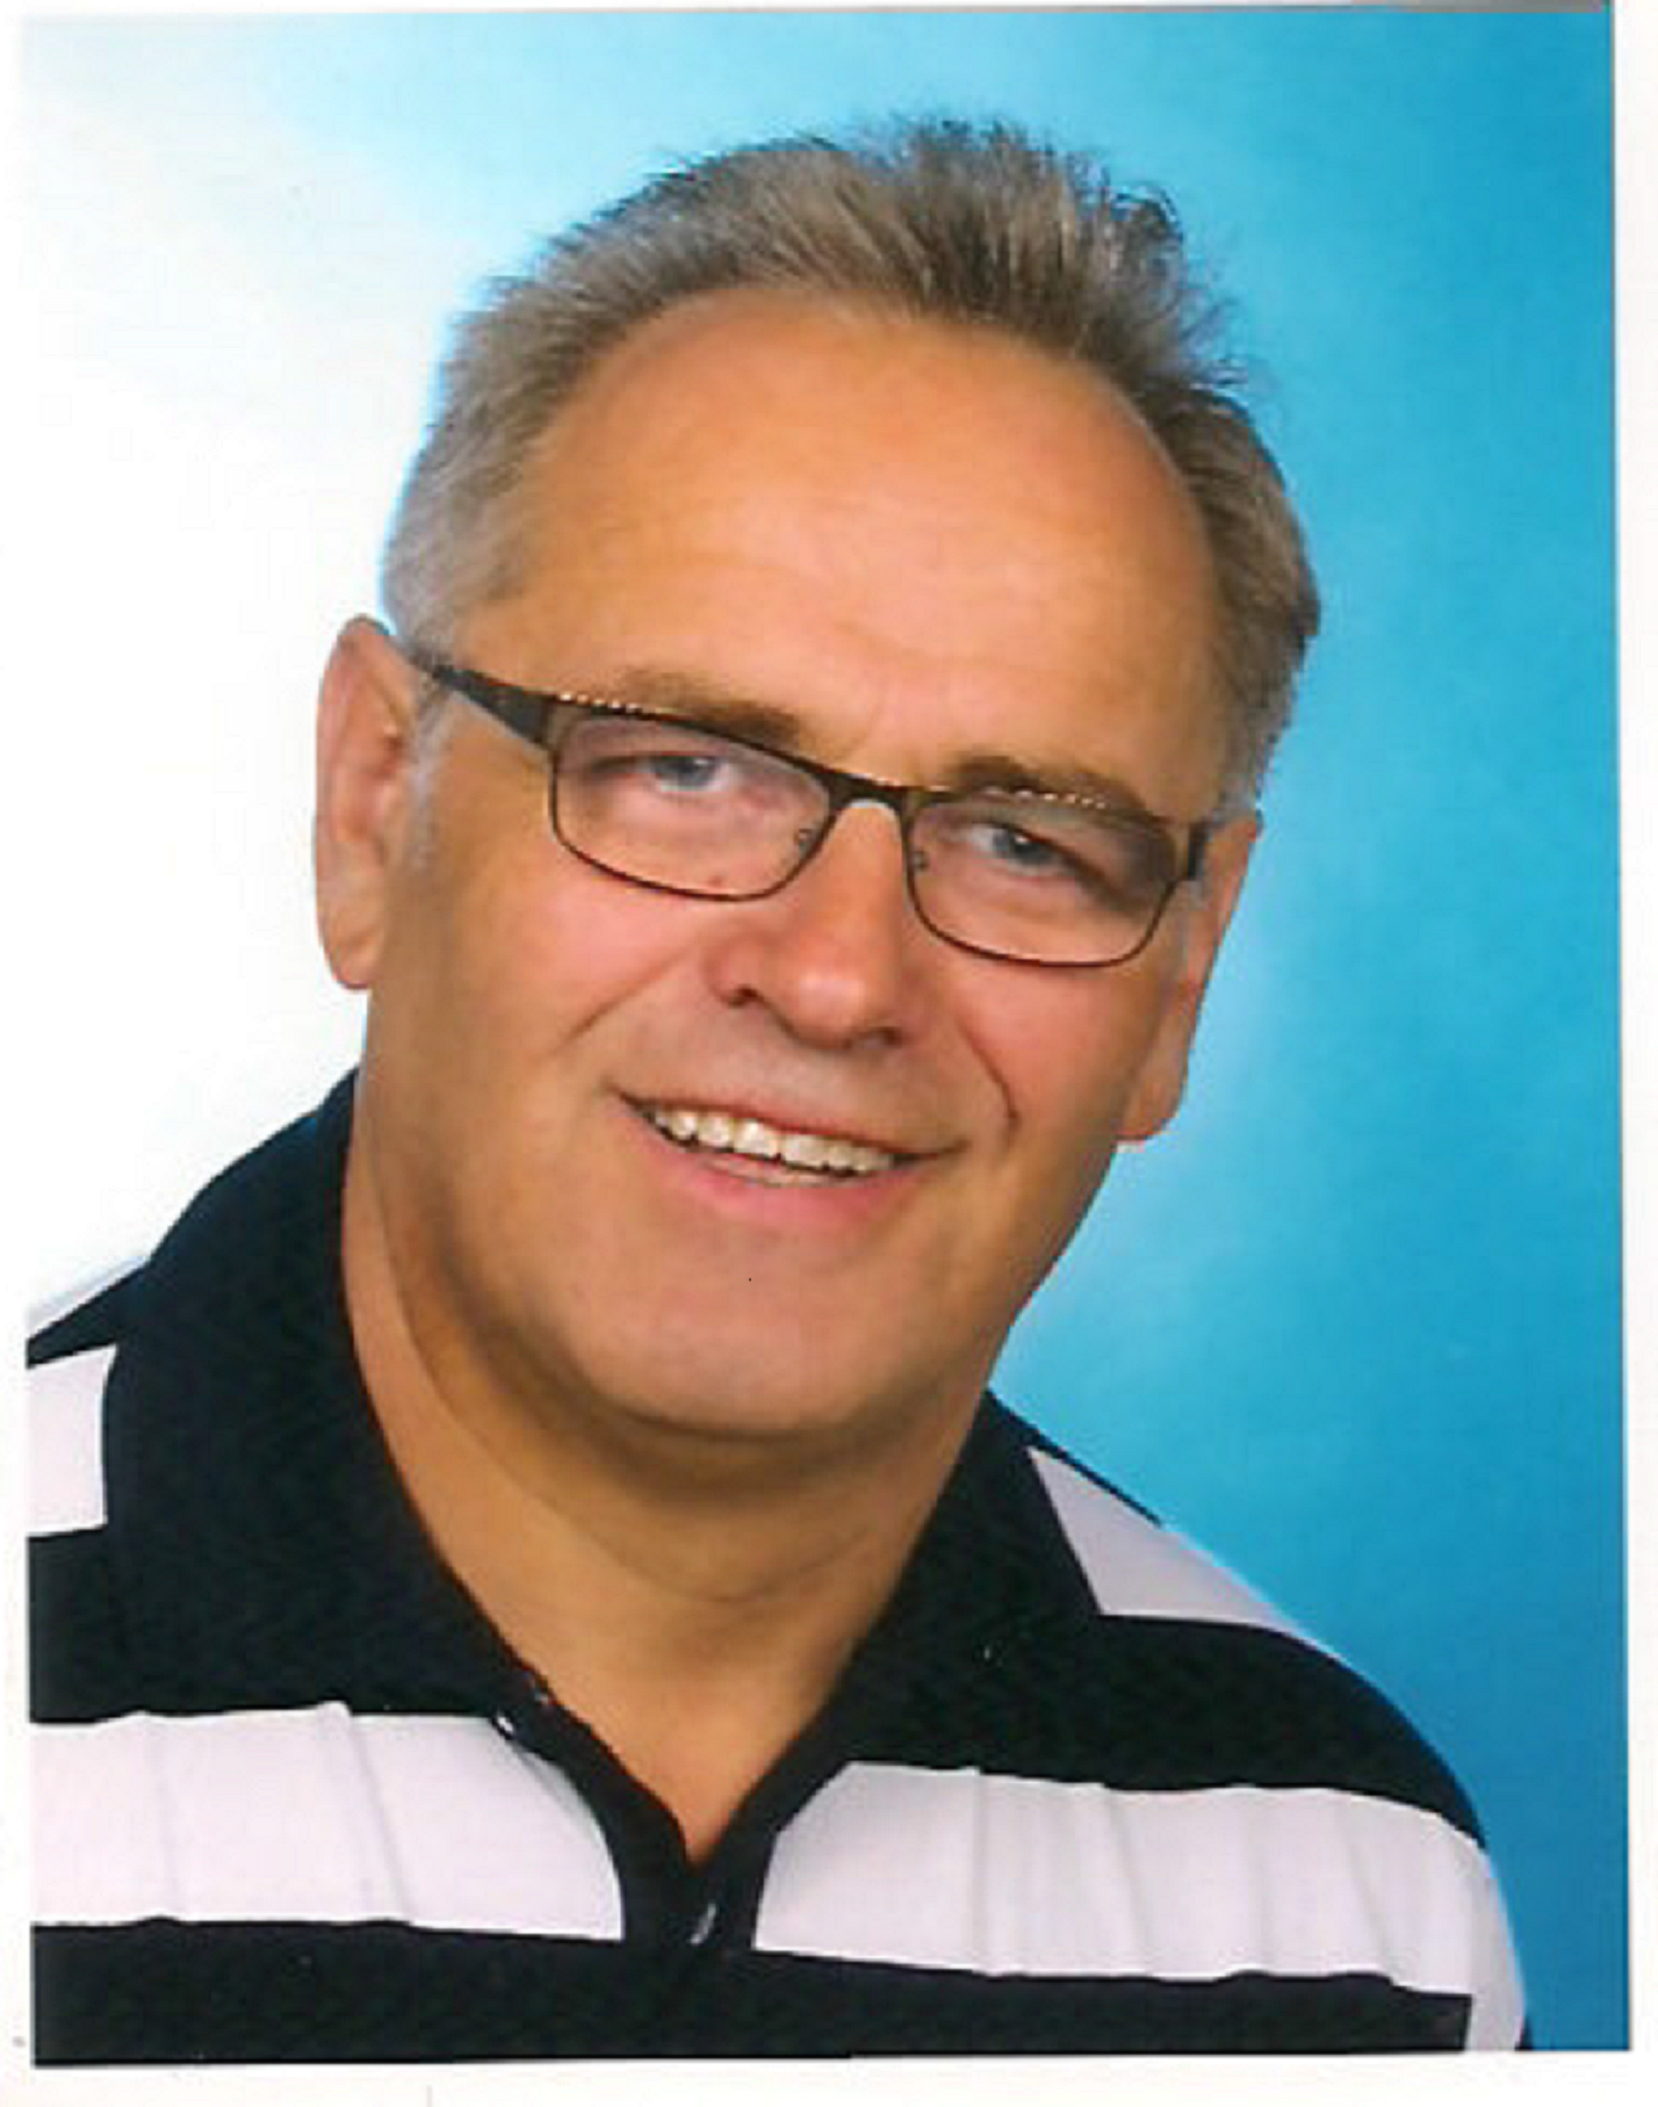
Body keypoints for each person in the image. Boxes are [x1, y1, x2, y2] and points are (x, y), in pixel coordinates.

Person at [27, 119, 1526, 2060]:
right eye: (685, 767)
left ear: (1180, 973)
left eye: (1025, 841)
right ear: (373, 800)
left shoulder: (1342, 1888)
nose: (833, 980)